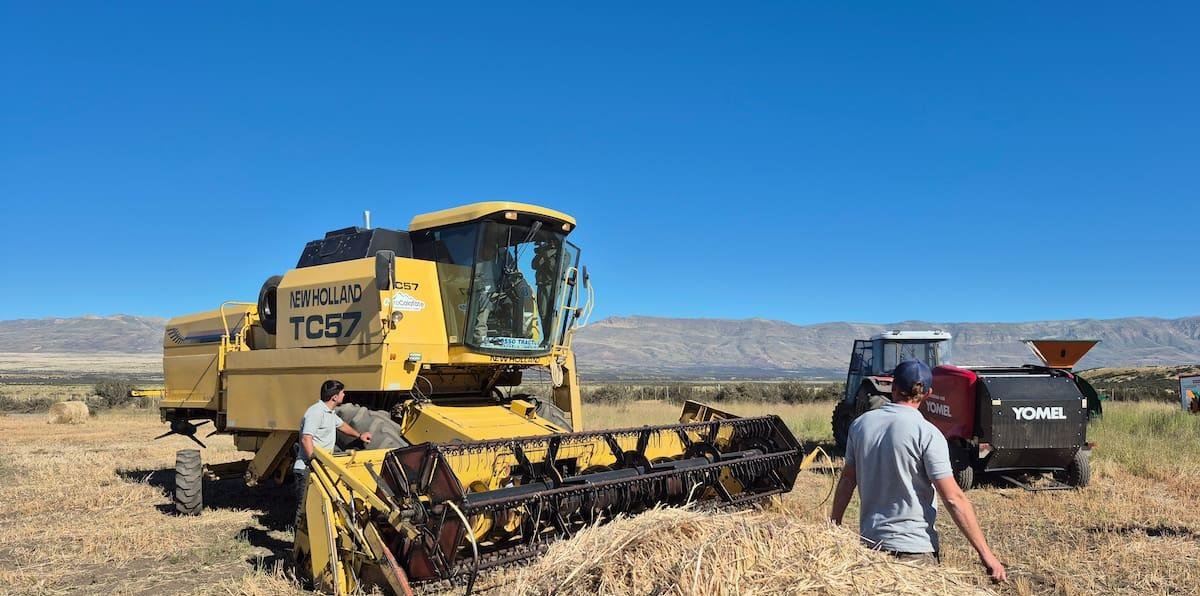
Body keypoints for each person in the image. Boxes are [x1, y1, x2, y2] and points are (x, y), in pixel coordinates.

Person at [830, 359, 1007, 582]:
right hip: (914, 551)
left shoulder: (860, 425)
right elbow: (953, 499)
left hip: (871, 548)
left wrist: (834, 525)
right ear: (928, 393)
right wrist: (986, 554)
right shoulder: (928, 433)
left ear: (893, 387)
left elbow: (847, 481)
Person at [293, 379, 372, 527]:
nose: (344, 394)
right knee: (304, 509)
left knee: (319, 506)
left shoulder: (329, 412)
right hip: (306, 469)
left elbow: (342, 426)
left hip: (318, 467)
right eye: (342, 392)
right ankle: (299, 542)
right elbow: (306, 438)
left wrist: (359, 435)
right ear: (334, 397)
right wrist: (313, 460)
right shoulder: (315, 412)